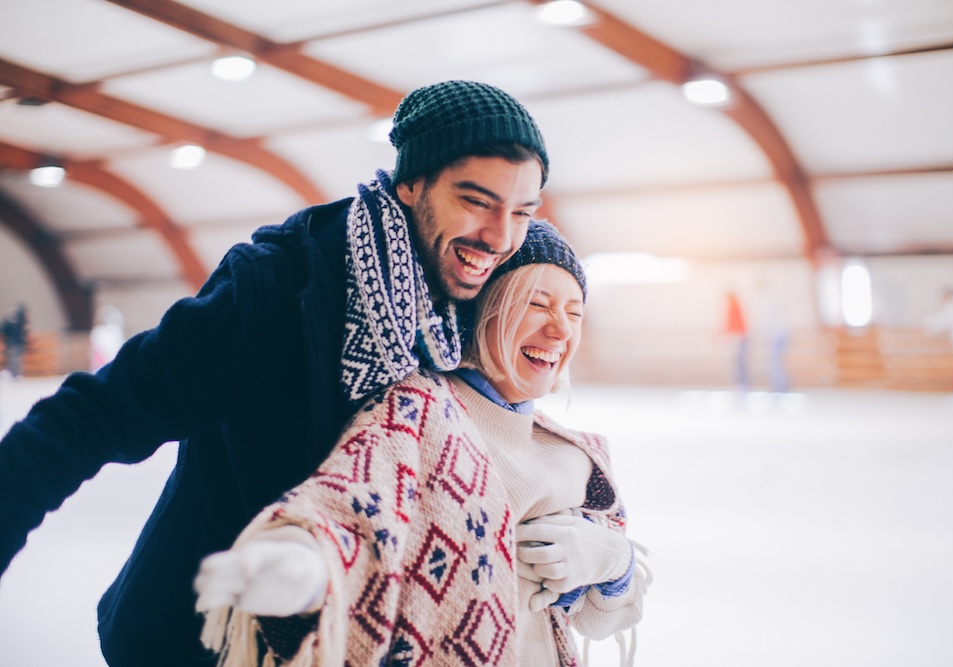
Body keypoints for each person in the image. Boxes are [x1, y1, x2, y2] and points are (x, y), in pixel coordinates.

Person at [0, 80, 549, 667]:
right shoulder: (276, 288)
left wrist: (592, 543)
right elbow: (92, 418)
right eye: (476, 200)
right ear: (411, 182)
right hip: (203, 640)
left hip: (360, 639)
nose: (500, 236)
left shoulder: (471, 301)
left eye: (522, 211)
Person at [194, 221, 647, 666]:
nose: (561, 330)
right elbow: (351, 502)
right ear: (484, 307)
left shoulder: (576, 454)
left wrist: (613, 565)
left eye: (574, 313)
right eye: (537, 303)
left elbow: (603, 619)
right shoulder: (422, 410)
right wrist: (306, 569)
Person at [723, 289, 748, 390]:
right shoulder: (733, 306)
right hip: (737, 337)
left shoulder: (734, 306)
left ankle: (742, 384)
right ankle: (741, 383)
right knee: (738, 362)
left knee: (739, 362)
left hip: (740, 338)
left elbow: (736, 323)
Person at [1, 303, 29, 379]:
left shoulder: (19, 320)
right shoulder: (14, 320)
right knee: (14, 359)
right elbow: (3, 330)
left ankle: (15, 374)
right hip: (12, 343)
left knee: (16, 358)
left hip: (16, 342)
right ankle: (14, 374)